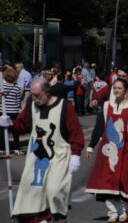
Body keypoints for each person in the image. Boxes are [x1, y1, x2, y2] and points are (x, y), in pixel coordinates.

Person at [3, 78, 85, 222]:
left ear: (47, 92)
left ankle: (59, 217)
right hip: (36, 157)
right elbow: (22, 126)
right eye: (32, 95)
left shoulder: (64, 106)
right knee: (32, 192)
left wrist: (76, 155)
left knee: (54, 190)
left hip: (59, 156)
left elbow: (75, 132)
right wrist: (8, 123)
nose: (34, 98)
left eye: (37, 95)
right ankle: (41, 219)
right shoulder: (31, 106)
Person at [85, 79, 128, 222]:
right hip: (107, 151)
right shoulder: (106, 106)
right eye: (114, 88)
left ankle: (123, 210)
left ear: (125, 91)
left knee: (124, 180)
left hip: (126, 151)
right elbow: (99, 128)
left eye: (119, 88)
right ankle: (112, 211)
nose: (116, 91)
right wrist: (91, 146)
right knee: (107, 181)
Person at [0, 67, 22, 155]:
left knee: (1, 130)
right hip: (14, 111)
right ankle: (17, 148)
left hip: (2, 111)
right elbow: (18, 101)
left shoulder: (1, 87)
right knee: (15, 130)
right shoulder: (16, 88)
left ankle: (1, 148)